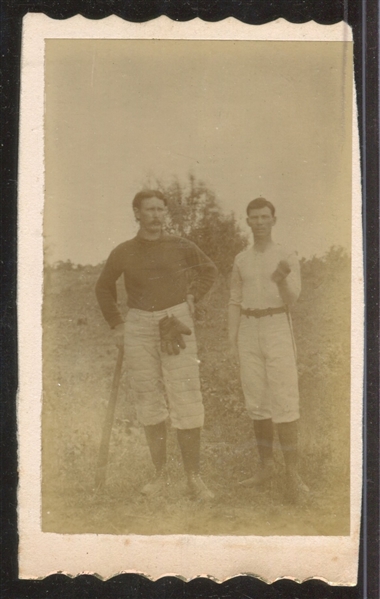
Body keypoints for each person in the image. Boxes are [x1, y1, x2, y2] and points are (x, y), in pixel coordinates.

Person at [96, 189, 217, 500]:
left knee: (186, 393)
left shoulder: (180, 245)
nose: (155, 215)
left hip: (174, 322)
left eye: (160, 209)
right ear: (137, 213)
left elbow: (208, 271)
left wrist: (193, 296)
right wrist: (117, 325)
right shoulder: (123, 251)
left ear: (166, 214)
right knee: (148, 395)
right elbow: (103, 287)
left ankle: (194, 477)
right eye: (148, 209)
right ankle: (160, 475)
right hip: (137, 324)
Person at [228, 197, 308, 502]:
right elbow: (234, 299)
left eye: (265, 217)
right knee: (256, 399)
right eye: (254, 218)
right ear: (247, 221)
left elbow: (292, 299)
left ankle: (293, 475)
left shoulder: (285, 255)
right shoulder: (241, 259)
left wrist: (281, 281)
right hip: (249, 328)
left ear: (274, 219)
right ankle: (265, 467)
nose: (259, 223)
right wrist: (231, 340)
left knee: (285, 398)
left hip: (277, 325)